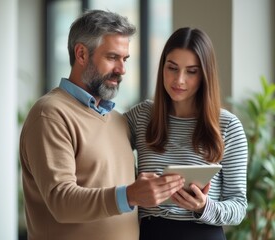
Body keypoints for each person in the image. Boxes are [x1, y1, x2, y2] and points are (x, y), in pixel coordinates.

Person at [19, 10, 184, 240]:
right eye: (112, 57)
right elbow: (61, 201)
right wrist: (129, 196)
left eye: (124, 59)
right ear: (81, 54)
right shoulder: (50, 114)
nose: (121, 69)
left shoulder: (118, 121)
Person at [125, 27, 248, 240]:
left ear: (204, 75)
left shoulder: (227, 125)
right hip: (150, 232)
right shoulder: (142, 116)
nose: (179, 80)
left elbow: (238, 207)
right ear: (162, 67)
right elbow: (103, 141)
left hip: (202, 233)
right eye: (172, 68)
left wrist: (203, 206)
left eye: (191, 71)